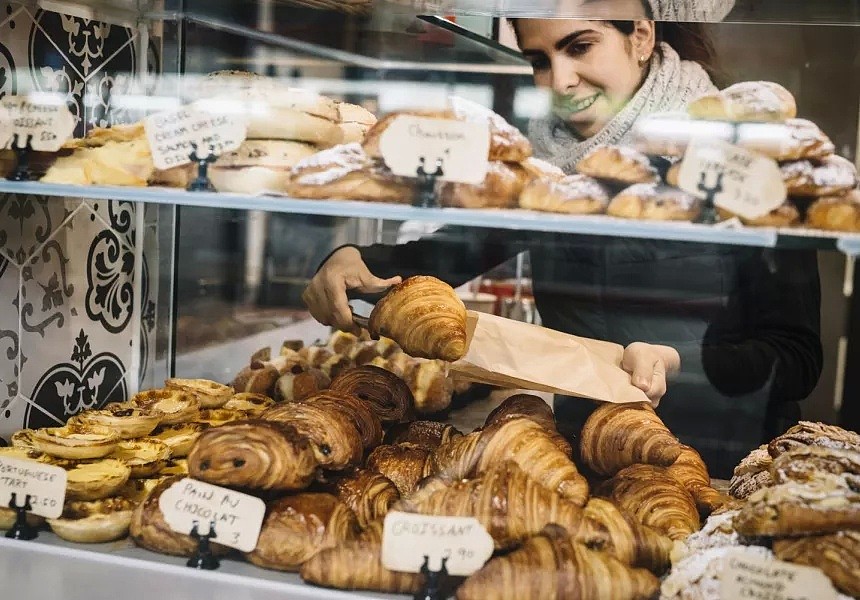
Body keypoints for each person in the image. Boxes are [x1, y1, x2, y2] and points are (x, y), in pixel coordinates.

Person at [303, 5, 823, 477]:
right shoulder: (546, 170)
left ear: (640, 36)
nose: (560, 80)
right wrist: (355, 261)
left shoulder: (744, 162)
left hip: (722, 466)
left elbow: (796, 355)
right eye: (538, 59)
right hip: (585, 458)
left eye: (579, 47)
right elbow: (458, 249)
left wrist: (676, 361)